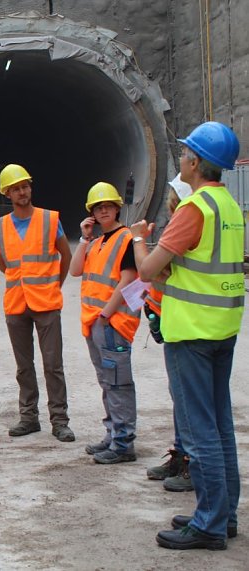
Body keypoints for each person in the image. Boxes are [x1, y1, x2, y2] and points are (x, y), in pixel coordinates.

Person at [131, 121, 242, 550]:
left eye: (184, 154)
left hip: (191, 332)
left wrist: (140, 240)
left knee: (199, 433)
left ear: (196, 162)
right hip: (222, 329)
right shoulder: (228, 206)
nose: (180, 159)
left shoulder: (194, 209)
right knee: (220, 427)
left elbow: (147, 270)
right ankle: (224, 515)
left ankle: (210, 523)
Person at [0, 164, 74, 442]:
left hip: (46, 303)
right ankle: (28, 417)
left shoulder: (49, 220)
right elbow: (4, 265)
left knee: (53, 364)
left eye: (25, 186)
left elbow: (65, 256)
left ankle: (59, 421)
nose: (22, 192)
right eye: (16, 188)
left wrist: (53, 285)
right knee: (24, 366)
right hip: (16, 304)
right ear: (7, 194)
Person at [69, 182, 140, 464]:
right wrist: (84, 238)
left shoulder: (126, 239)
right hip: (95, 323)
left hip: (112, 322)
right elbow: (75, 270)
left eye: (108, 206)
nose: (103, 211)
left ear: (117, 208)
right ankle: (112, 434)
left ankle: (123, 443)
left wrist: (106, 315)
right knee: (107, 382)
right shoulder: (96, 242)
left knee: (118, 383)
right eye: (98, 208)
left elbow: (129, 278)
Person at [143, 176, 194, 493]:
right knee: (181, 399)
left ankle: (191, 464)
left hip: (188, 325)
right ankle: (181, 454)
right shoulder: (178, 225)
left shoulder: (186, 226)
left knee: (190, 401)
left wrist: (139, 242)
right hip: (173, 320)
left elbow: (149, 269)